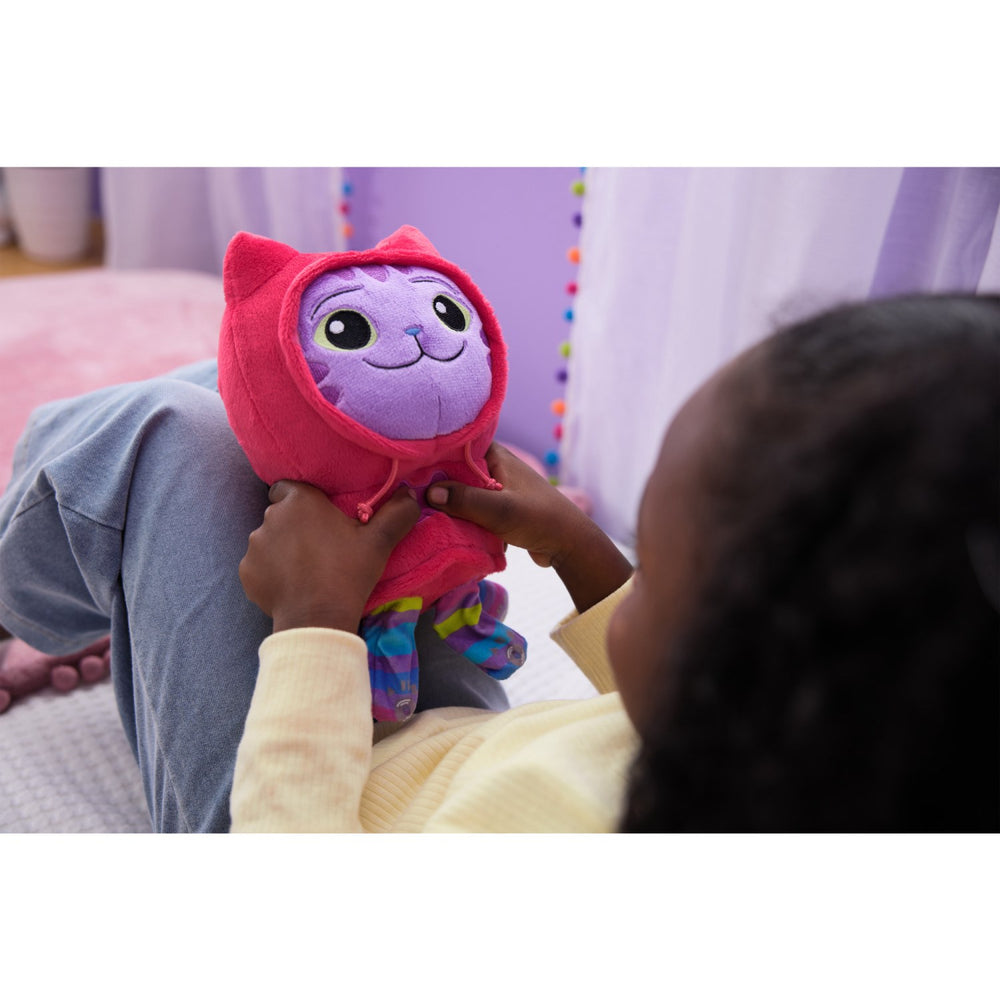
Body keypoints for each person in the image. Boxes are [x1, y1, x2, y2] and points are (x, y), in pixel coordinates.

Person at [1, 294, 997, 832]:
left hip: (291, 809)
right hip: (453, 743)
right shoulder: (817, 773)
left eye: (652, 562)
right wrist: (580, 552)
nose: (631, 572)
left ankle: (27, 604)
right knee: (287, 405)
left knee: (168, 431)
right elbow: (663, 709)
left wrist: (315, 622)